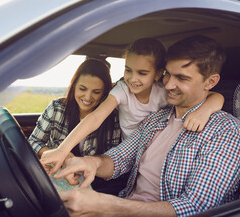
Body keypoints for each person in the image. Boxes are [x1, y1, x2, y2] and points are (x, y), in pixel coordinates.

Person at [55, 35, 240, 216]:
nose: (168, 84)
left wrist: (108, 206)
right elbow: (120, 158)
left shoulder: (226, 131)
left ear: (211, 82)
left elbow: (196, 206)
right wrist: (91, 163)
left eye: (181, 78)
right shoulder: (156, 119)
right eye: (167, 74)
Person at [41, 37, 224, 176]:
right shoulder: (123, 90)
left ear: (158, 74)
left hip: (151, 153)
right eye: (128, 70)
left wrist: (205, 110)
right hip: (126, 152)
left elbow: (216, 96)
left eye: (142, 73)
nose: (133, 79)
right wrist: (62, 150)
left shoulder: (164, 91)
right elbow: (95, 117)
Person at [28, 58, 125, 193]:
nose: (87, 97)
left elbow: (112, 159)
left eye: (96, 92)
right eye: (82, 89)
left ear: (105, 93)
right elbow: (32, 142)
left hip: (91, 185)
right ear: (73, 86)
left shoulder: (112, 119)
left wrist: (83, 164)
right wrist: (58, 156)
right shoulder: (56, 108)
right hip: (53, 178)